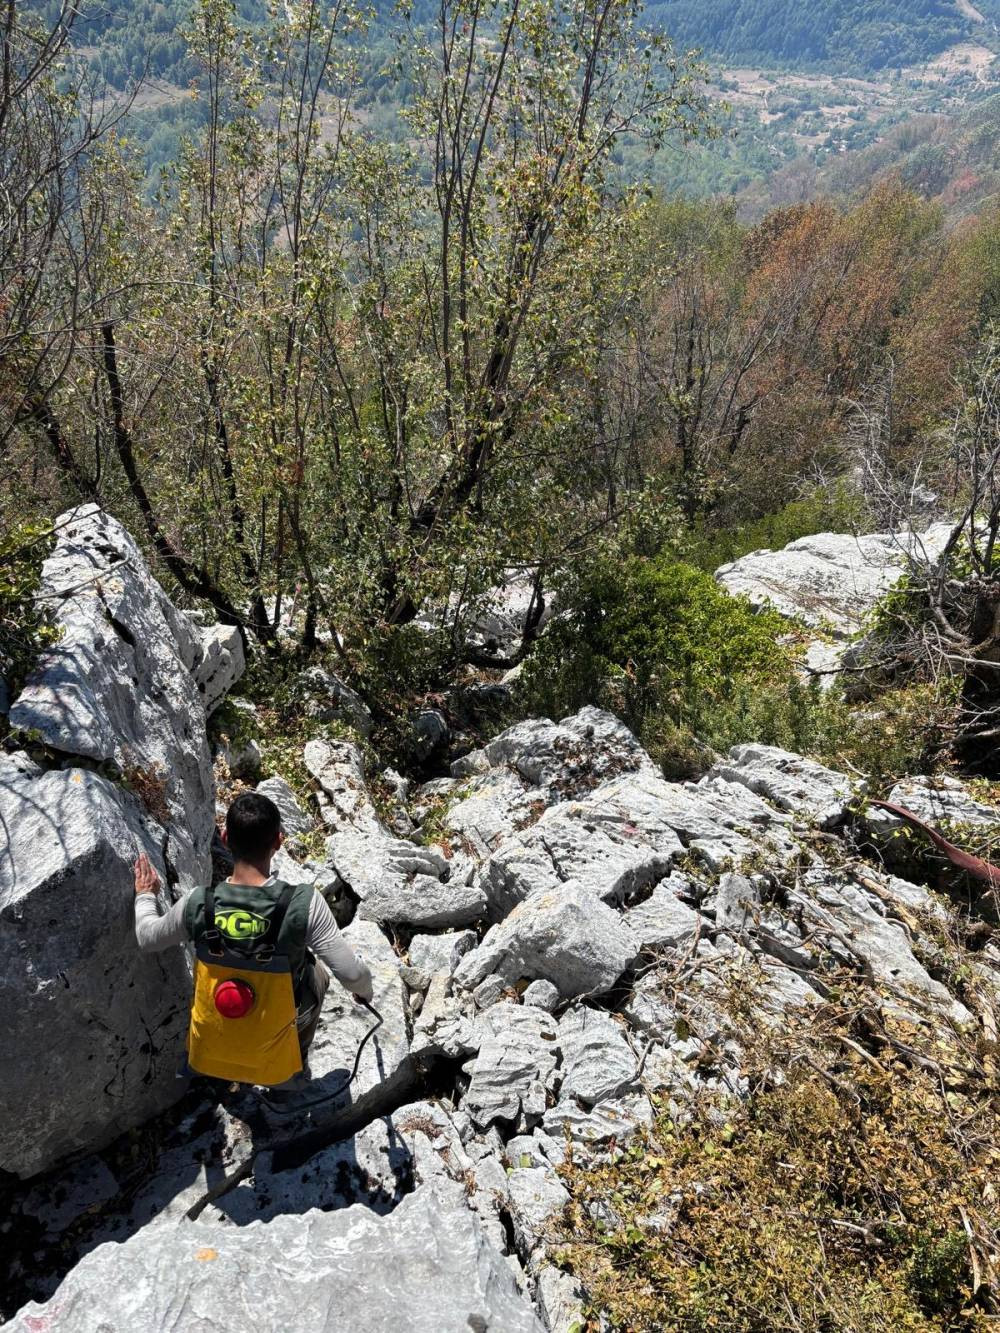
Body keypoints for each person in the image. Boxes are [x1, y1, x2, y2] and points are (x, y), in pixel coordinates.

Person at [134, 791, 373, 1070]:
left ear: (224, 840)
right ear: (278, 842)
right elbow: (351, 973)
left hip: (207, 1054)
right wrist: (364, 992)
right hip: (275, 1064)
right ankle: (295, 1054)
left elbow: (147, 938)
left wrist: (145, 896)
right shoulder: (304, 905)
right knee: (316, 972)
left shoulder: (198, 903)